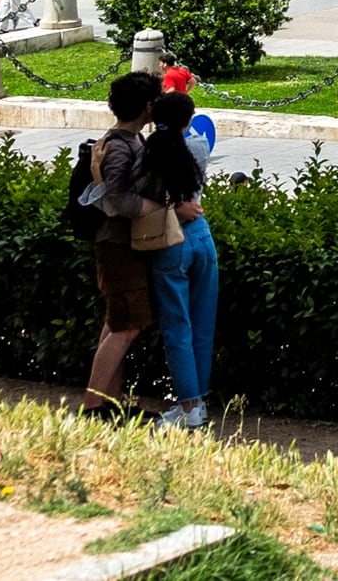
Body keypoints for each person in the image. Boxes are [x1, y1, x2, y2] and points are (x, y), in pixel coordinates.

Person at [78, 73, 158, 415]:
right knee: (128, 327)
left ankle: (110, 403)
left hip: (121, 245)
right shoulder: (119, 146)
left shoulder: (129, 139)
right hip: (117, 245)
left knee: (118, 323)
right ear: (147, 106)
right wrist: (161, 209)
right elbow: (119, 201)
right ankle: (95, 407)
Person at [138, 87, 217, 430]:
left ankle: (188, 407)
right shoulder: (198, 147)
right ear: (188, 119)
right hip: (202, 235)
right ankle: (199, 402)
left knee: (177, 328)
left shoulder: (149, 151)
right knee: (202, 326)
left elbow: (137, 191)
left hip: (171, 240)